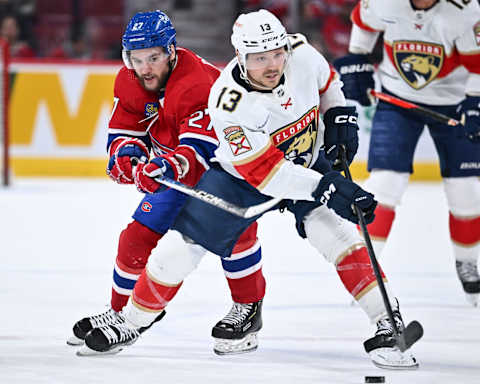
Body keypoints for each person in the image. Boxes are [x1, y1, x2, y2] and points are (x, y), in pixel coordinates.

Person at [82, 9, 421, 369]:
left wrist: (338, 113)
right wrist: (326, 187)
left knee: (337, 236)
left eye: (277, 54)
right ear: (241, 58)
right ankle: (130, 322)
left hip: (304, 161)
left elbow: (327, 82)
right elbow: (268, 175)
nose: (272, 65)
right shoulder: (228, 103)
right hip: (242, 179)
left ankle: (388, 319)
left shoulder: (301, 53)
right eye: (260, 59)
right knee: (177, 251)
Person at [68, 10, 267, 356]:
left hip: (226, 169)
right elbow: (124, 131)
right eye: (137, 58)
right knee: (135, 238)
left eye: (154, 57)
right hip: (174, 174)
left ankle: (248, 310)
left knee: (236, 235)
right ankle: (119, 313)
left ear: (171, 52)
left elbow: (198, 152)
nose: (145, 68)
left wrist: (161, 165)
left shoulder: (197, 84)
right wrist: (126, 156)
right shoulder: (130, 79)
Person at [333, 0, 480, 306]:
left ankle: (467, 262)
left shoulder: (465, 10)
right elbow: (364, 21)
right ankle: (366, 269)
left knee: (465, 191)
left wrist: (475, 99)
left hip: (453, 104)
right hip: (396, 100)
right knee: (384, 185)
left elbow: (478, 63)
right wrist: (358, 58)